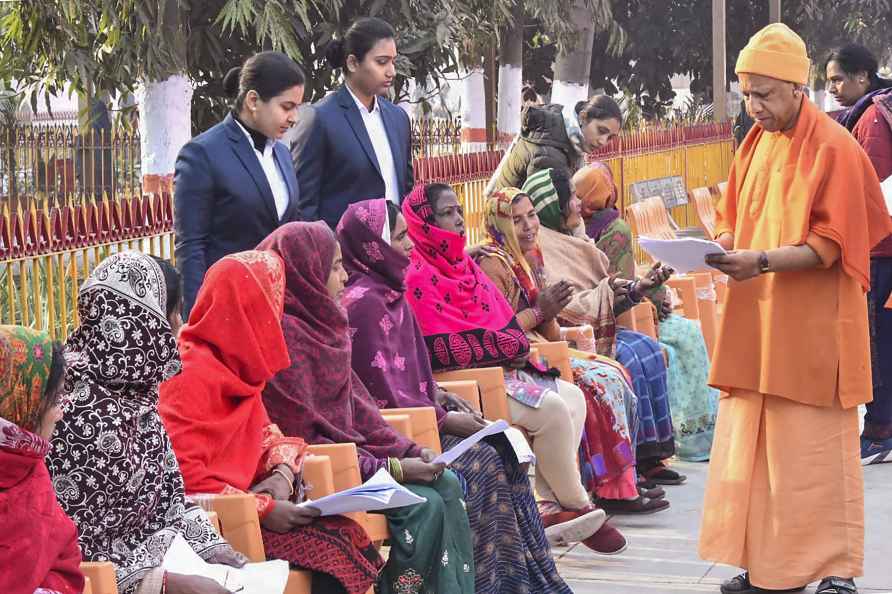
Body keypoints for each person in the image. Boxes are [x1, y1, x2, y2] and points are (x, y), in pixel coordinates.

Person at [699, 24, 892, 594]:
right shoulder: (755, 143)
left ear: (797, 86)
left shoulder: (835, 147)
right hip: (756, 324)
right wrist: (728, 245)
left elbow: (832, 243)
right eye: (747, 94)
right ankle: (766, 567)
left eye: (765, 94)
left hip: (812, 331)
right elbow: (731, 212)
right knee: (754, 453)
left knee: (815, 459)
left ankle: (836, 573)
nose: (754, 106)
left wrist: (759, 261)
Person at [338, 197, 574, 593]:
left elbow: (413, 376)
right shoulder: (364, 305)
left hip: (423, 421)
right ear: (373, 246)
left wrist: (442, 397)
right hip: (399, 435)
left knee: (506, 451)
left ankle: (529, 580)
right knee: (481, 464)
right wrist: (443, 420)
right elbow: (380, 398)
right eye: (399, 238)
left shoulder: (391, 294)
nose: (410, 246)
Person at [401, 183, 628, 555]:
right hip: (464, 384)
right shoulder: (418, 276)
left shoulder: (463, 266)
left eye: (458, 210)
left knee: (572, 398)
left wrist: (512, 343)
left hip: (498, 369)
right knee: (552, 410)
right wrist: (511, 342)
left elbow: (504, 327)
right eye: (446, 213)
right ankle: (580, 506)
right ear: (423, 222)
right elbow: (441, 351)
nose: (458, 220)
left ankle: (551, 508)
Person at [257, 222, 475, 594]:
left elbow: (363, 413)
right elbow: (306, 440)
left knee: (448, 481)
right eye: (336, 268)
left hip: (357, 464)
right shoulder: (286, 340)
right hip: (321, 476)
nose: (345, 277)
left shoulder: (327, 325)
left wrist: (411, 450)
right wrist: (393, 466)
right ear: (306, 274)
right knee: (423, 506)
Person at [159, 250, 383, 594]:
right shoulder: (190, 375)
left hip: (252, 506)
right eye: (268, 310)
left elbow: (269, 436)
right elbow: (184, 476)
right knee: (335, 552)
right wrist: (262, 508)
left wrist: (280, 474)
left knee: (349, 537)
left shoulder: (236, 365)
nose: (274, 322)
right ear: (243, 313)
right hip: (219, 522)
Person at [47, 251, 245, 594]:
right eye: (173, 313)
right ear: (144, 323)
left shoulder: (135, 396)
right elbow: (79, 550)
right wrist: (166, 585)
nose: (180, 325)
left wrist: (215, 548)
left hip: (166, 564)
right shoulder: (77, 412)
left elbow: (169, 499)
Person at [520, 168, 684, 485]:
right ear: (554, 206)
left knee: (648, 348)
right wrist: (618, 292)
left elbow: (600, 288)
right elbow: (566, 304)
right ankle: (630, 463)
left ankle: (651, 456)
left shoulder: (576, 239)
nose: (578, 203)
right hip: (567, 336)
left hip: (598, 325)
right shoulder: (539, 249)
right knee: (631, 358)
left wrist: (640, 288)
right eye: (571, 197)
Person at [574, 162, 720, 461]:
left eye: (579, 196)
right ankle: (670, 445)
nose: (576, 203)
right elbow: (614, 283)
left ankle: (690, 438)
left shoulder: (592, 229)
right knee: (667, 344)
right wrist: (653, 295)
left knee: (687, 335)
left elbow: (619, 279)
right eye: (572, 198)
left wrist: (653, 291)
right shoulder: (608, 231)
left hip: (626, 307)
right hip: (613, 316)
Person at [174, 51, 305, 316]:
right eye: (286, 107)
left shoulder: (282, 153)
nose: (294, 118)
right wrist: (196, 319)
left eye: (297, 108)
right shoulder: (202, 154)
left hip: (279, 305)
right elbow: (191, 246)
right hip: (228, 307)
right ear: (253, 100)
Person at [825, 43, 892, 464]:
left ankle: (881, 429)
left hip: (879, 249)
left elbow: (870, 186)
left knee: (876, 341)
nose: (831, 87)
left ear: (863, 77)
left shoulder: (870, 119)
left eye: (837, 79)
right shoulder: (882, 108)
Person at [288, 17, 413, 228]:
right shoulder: (320, 118)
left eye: (393, 61)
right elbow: (304, 206)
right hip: (343, 254)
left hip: (395, 252)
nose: (391, 71)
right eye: (382, 62)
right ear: (353, 62)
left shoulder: (398, 118)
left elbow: (407, 189)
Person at [0, 326, 84, 594]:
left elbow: (64, 559)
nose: (60, 413)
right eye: (55, 399)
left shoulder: (29, 468)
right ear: (24, 400)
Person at [485, 94, 622, 195]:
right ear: (583, 117)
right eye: (601, 131)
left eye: (610, 137)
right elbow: (547, 213)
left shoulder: (566, 137)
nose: (603, 141)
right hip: (510, 226)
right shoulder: (550, 151)